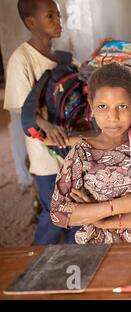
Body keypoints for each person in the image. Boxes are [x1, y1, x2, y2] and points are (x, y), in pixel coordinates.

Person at [50, 63, 131, 244]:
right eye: (102, 106)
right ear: (91, 105)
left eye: (122, 106)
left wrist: (104, 221)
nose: (113, 116)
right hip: (94, 249)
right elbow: (59, 213)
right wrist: (120, 206)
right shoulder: (81, 154)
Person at [3, 0, 78, 245]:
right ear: (31, 22)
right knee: (55, 211)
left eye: (58, 15)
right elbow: (21, 108)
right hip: (45, 153)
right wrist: (47, 126)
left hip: (71, 145)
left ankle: (74, 258)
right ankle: (33, 261)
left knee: (77, 209)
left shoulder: (64, 58)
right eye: (50, 16)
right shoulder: (21, 59)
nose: (58, 22)